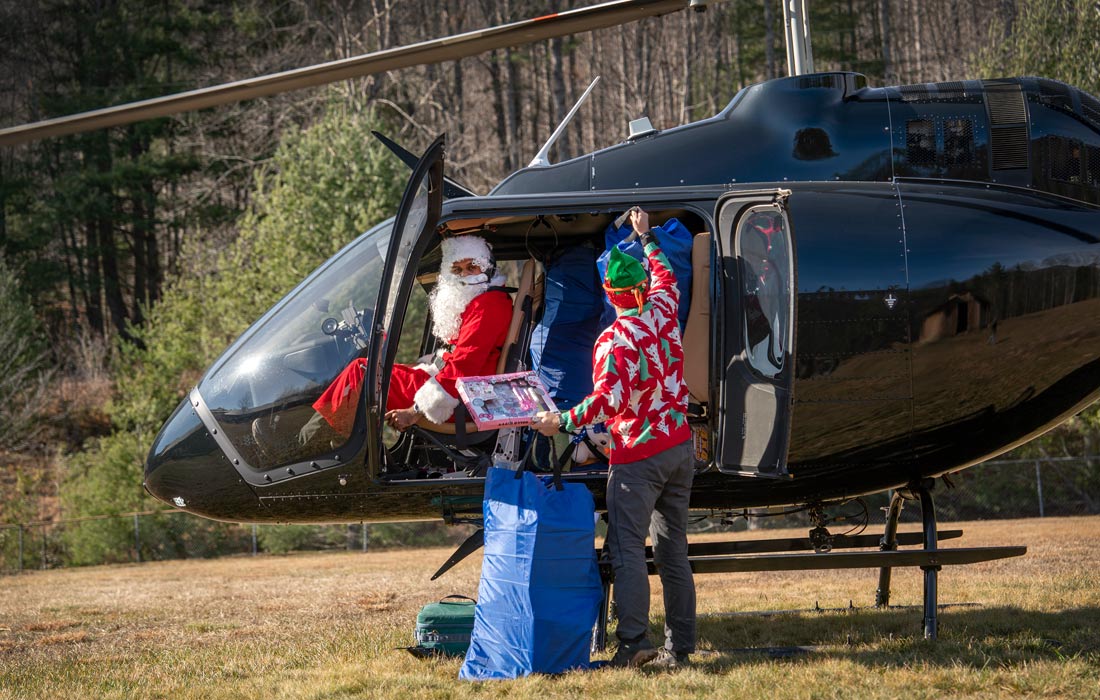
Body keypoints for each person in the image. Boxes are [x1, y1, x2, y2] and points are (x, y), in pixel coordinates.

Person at [532, 208, 695, 670]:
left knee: (627, 550)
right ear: (643, 285)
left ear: (610, 292)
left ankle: (635, 642)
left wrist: (559, 421)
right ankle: (680, 647)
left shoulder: (614, 340)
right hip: (679, 446)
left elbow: (606, 402)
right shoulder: (664, 309)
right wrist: (645, 238)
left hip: (638, 458)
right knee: (673, 553)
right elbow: (667, 274)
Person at [300, 234, 512, 447]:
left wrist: (415, 410)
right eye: (457, 270)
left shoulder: (488, 305)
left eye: (472, 266)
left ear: (487, 267)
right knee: (372, 371)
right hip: (459, 388)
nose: (465, 275)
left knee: (362, 374)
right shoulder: (485, 300)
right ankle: (326, 444)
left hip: (461, 399)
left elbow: (463, 367)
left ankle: (307, 449)